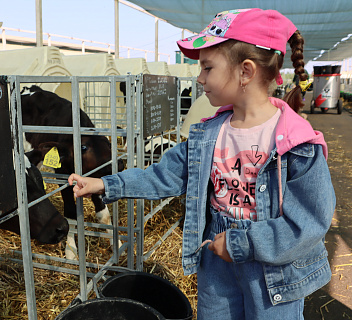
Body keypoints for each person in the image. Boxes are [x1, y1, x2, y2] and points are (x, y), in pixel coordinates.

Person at [68, 8, 335, 320]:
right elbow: (165, 174)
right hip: (217, 256)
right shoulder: (209, 133)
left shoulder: (298, 144)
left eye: (207, 67)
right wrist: (106, 184)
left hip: (273, 269)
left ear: (245, 72)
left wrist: (243, 242)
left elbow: (309, 223)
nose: (199, 77)